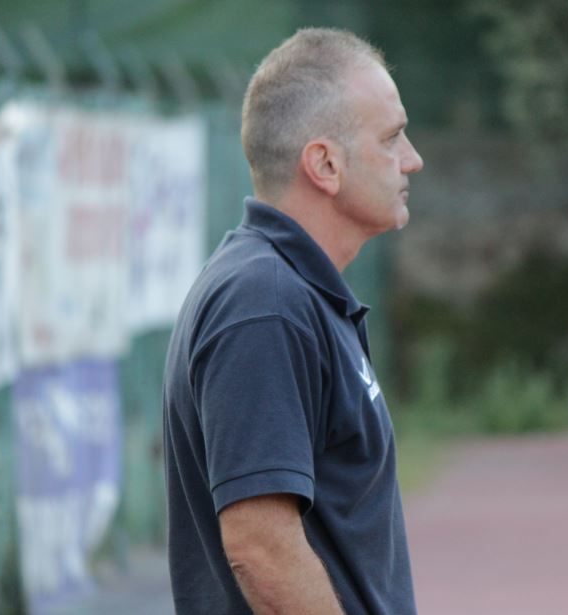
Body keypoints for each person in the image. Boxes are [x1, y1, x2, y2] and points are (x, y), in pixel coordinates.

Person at [163, 27, 424, 615]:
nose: (413, 159)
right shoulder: (265, 304)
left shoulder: (289, 290)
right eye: (391, 138)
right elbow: (262, 550)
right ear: (325, 164)